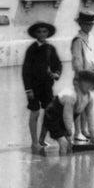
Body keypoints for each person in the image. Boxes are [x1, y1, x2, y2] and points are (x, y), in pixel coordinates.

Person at [21, 20, 62, 151]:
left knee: (49, 112)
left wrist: (56, 74)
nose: (42, 34)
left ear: (48, 33)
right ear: (35, 34)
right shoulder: (31, 49)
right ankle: (34, 142)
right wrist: (28, 89)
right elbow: (25, 71)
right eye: (39, 31)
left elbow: (58, 65)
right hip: (33, 87)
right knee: (35, 112)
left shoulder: (51, 49)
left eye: (44, 31)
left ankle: (42, 139)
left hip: (46, 86)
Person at [70, 10, 94, 144]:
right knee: (79, 105)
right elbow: (77, 59)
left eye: (91, 24)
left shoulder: (92, 38)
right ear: (80, 24)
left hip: (91, 75)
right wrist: (81, 75)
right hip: (81, 77)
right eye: (86, 24)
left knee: (87, 103)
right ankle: (77, 132)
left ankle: (85, 129)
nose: (89, 26)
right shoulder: (77, 40)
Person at [72, 70, 94, 144]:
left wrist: (92, 135)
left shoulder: (90, 96)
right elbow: (67, 118)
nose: (90, 87)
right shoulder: (72, 96)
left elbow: (90, 116)